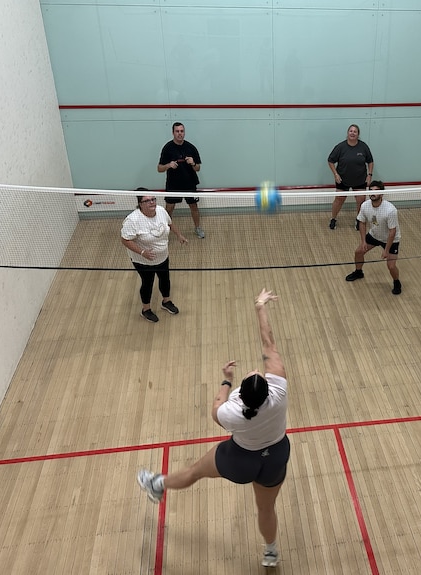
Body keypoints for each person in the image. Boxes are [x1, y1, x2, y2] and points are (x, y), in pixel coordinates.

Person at [137, 289, 290, 568]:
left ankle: (156, 485)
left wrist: (226, 380)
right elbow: (269, 343)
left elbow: (215, 408)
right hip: (276, 455)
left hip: (240, 459)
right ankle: (270, 552)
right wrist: (260, 307)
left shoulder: (231, 413)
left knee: (196, 471)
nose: (256, 370)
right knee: (266, 507)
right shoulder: (279, 392)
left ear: (243, 392)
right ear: (267, 389)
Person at [120, 189, 188, 323]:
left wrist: (179, 235)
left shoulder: (161, 211)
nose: (152, 202)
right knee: (147, 283)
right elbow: (125, 239)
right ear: (140, 203)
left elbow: (169, 223)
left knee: (165, 278)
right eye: (147, 200)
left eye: (153, 199)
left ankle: (166, 301)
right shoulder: (132, 220)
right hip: (143, 261)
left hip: (162, 256)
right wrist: (142, 252)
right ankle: (145, 310)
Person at [344, 181, 402, 295]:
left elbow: (392, 232)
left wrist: (386, 250)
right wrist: (363, 241)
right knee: (358, 252)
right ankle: (359, 272)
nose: (373, 193)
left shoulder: (390, 210)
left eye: (376, 191)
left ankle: (396, 282)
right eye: (371, 191)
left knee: (391, 266)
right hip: (374, 235)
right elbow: (362, 222)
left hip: (391, 240)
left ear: (381, 194)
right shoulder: (365, 206)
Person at [157, 122, 205, 238]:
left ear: (184, 132)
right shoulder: (167, 148)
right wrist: (168, 165)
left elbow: (197, 168)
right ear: (173, 133)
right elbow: (159, 168)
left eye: (182, 131)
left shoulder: (191, 148)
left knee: (194, 207)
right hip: (173, 185)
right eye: (177, 131)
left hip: (190, 183)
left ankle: (197, 228)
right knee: (169, 208)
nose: (180, 134)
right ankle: (165, 232)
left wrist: (193, 163)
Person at [327, 124, 374, 230]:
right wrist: (335, 174)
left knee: (361, 201)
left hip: (360, 179)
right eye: (351, 131)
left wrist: (369, 175)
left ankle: (359, 220)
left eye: (355, 131)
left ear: (358, 134)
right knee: (339, 200)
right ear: (348, 133)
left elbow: (370, 161)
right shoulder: (340, 147)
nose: (352, 133)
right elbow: (330, 161)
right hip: (342, 179)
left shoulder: (363, 147)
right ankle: (333, 219)